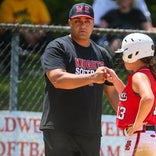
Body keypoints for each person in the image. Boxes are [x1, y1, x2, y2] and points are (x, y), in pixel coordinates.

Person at [40, 3, 119, 156]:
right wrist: (92, 77)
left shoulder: (102, 54)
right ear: (69, 23)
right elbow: (57, 79)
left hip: (90, 131)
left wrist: (126, 119)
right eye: (78, 21)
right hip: (59, 129)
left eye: (87, 21)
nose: (83, 25)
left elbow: (112, 92)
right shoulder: (58, 47)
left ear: (93, 24)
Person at [105, 33, 156, 156]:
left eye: (124, 52)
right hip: (145, 135)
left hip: (141, 134)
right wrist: (116, 81)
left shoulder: (139, 76)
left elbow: (148, 98)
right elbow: (129, 98)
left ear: (135, 53)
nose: (122, 57)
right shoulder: (145, 74)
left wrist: (136, 125)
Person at [0, 0, 53, 73]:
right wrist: (26, 34)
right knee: (8, 36)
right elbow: (9, 24)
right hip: (18, 34)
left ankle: (53, 68)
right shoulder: (7, 3)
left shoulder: (37, 2)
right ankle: (11, 71)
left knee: (50, 38)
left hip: (36, 34)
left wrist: (38, 33)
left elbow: (45, 21)